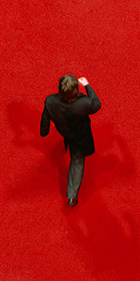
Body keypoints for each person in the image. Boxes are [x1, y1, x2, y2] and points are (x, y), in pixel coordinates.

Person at [40, 74, 102, 204]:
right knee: (77, 162)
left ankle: (66, 143)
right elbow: (97, 104)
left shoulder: (50, 101)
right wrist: (87, 85)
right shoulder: (84, 103)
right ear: (76, 91)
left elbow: (46, 117)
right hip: (80, 137)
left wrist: (44, 132)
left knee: (68, 138)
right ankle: (72, 196)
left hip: (64, 130)